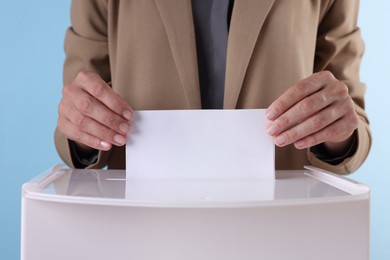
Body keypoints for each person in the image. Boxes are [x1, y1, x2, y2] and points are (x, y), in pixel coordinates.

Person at [55, 0, 371, 174]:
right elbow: (78, 109)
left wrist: (339, 132)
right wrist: (83, 129)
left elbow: (351, 118)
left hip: (279, 224)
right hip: (144, 224)